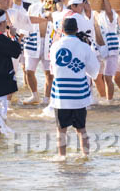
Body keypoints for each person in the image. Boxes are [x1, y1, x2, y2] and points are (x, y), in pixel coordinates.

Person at [49, 16, 100, 161]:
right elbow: (94, 70)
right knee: (81, 129)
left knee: (61, 130)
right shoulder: (84, 46)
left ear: (62, 30)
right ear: (77, 30)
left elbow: (53, 70)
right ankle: (85, 156)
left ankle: (61, 157)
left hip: (61, 95)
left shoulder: (55, 47)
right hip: (79, 95)